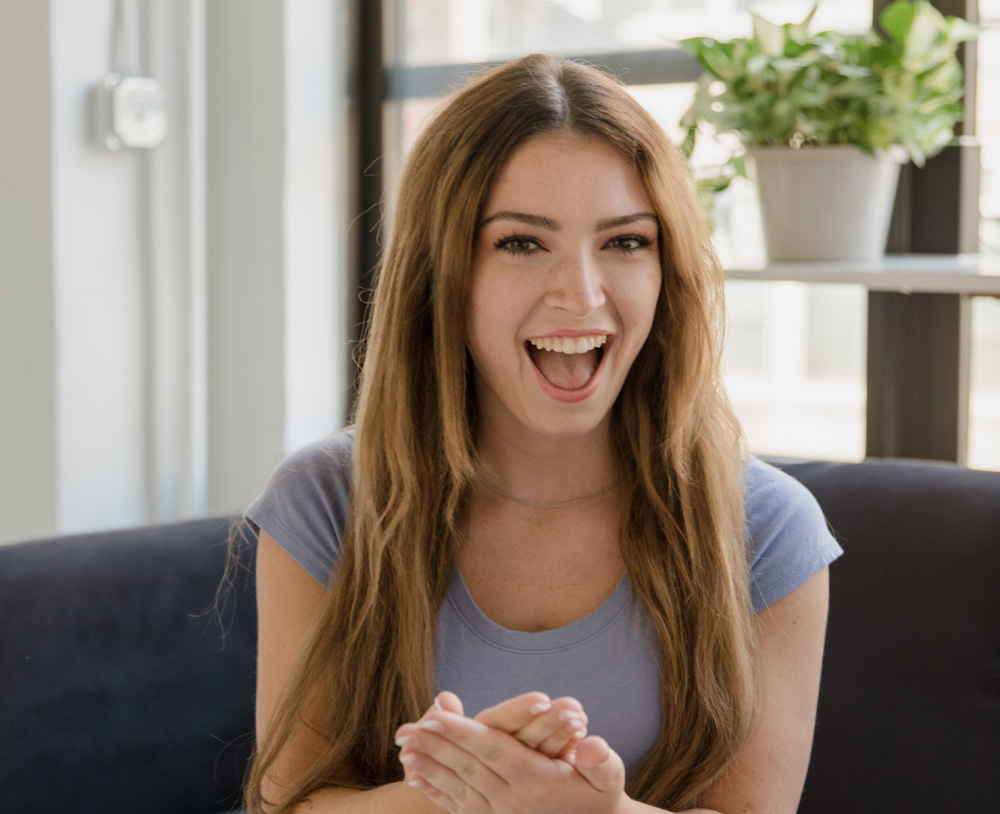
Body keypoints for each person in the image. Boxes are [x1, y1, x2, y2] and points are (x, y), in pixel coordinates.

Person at [243, 53, 842, 814]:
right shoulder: (326, 501)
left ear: (669, 272)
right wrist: (474, 791)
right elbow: (287, 804)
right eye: (521, 243)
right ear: (441, 273)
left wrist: (585, 810)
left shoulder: (767, 528)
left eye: (626, 242)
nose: (581, 295)